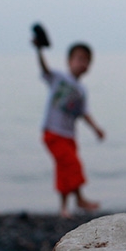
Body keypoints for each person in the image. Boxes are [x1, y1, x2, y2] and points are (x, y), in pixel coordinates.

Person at [34, 38, 105, 217]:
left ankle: (64, 208)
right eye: (79, 58)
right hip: (52, 131)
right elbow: (44, 69)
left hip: (69, 135)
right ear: (69, 60)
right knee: (72, 165)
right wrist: (39, 50)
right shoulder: (59, 78)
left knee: (65, 169)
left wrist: (96, 128)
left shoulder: (81, 90)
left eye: (87, 61)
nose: (83, 63)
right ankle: (79, 199)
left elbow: (84, 113)